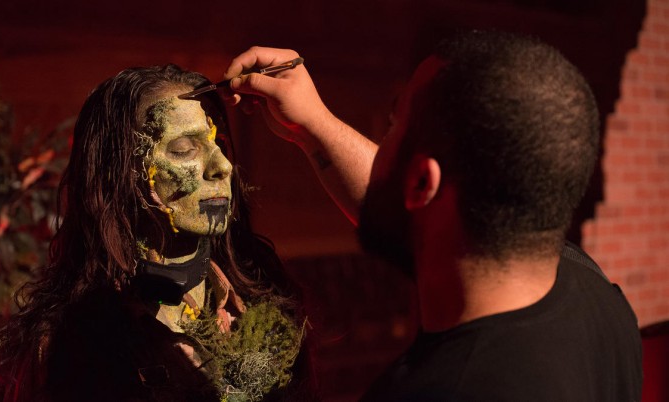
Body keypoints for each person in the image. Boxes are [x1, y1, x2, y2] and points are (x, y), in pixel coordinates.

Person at [222, 31, 642, 400]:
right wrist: (313, 124)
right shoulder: (598, 297)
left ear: (422, 183)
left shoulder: (439, 391)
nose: (382, 143)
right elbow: (404, 205)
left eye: (394, 127)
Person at [0, 65, 314, 401]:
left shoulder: (266, 305)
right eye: (184, 149)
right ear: (123, 172)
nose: (222, 166)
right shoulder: (68, 344)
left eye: (219, 143)